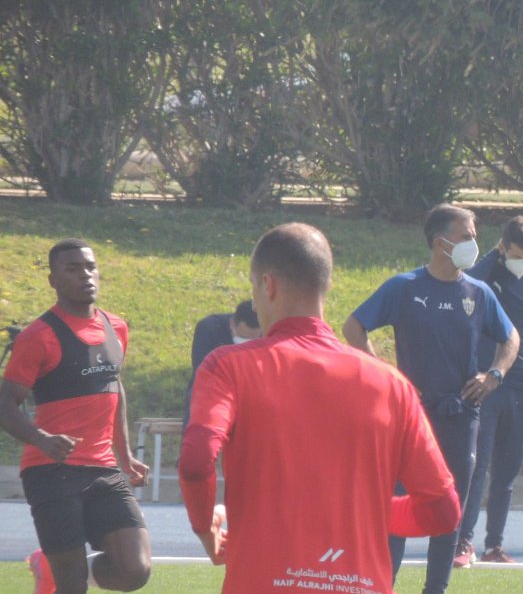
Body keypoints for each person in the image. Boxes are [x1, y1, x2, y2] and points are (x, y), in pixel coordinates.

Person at [179, 222, 462, 593]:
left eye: (253, 290)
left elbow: (197, 461)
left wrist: (205, 528)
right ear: (326, 286)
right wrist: (371, 510)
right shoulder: (392, 385)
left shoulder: (228, 366)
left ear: (268, 285)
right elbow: (443, 511)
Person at [343, 203, 520, 594]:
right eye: (467, 236)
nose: (475, 243)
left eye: (474, 235)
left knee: (448, 510)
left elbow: (511, 338)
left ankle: (435, 589)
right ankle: (381, 586)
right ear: (440, 242)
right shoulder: (404, 287)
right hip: (410, 416)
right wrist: (390, 377)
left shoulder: (480, 292)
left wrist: (494, 375)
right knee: (398, 506)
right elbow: (354, 326)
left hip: (461, 415)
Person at [0, 239, 152, 593]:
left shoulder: (117, 327)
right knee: (71, 586)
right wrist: (40, 438)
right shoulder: (39, 336)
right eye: (72, 269)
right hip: (51, 472)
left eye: (89, 266)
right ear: (53, 280)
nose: (85, 275)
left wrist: (124, 454)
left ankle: (52, 566)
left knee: (135, 570)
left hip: (103, 469)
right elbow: (5, 403)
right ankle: (56, 571)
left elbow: (114, 387)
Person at [457, 215, 523, 566]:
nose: (522, 261)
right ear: (503, 247)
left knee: (507, 472)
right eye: (515, 254)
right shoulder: (488, 278)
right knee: (476, 465)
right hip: (486, 385)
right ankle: (462, 542)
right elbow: (465, 282)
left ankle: (493, 545)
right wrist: (492, 257)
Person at [183, 300, 260, 428]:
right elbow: (202, 371)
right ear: (232, 324)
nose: (245, 344)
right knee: (199, 397)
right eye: (242, 338)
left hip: (251, 387)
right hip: (212, 386)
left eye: (252, 340)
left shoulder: (268, 331)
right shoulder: (210, 328)